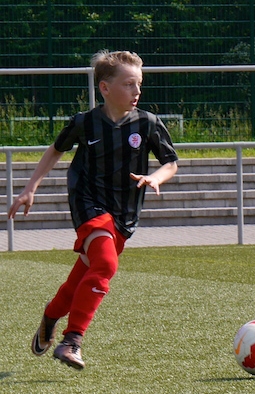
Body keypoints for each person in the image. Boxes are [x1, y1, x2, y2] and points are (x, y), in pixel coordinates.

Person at [8, 50, 179, 370]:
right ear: (105, 88)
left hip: (124, 214)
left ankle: (51, 316)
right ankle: (72, 341)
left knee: (80, 281)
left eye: (139, 84)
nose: (137, 91)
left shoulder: (147, 123)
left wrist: (155, 177)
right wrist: (30, 189)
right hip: (88, 203)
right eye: (129, 84)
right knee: (105, 264)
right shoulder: (84, 122)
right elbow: (55, 151)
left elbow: (171, 163)